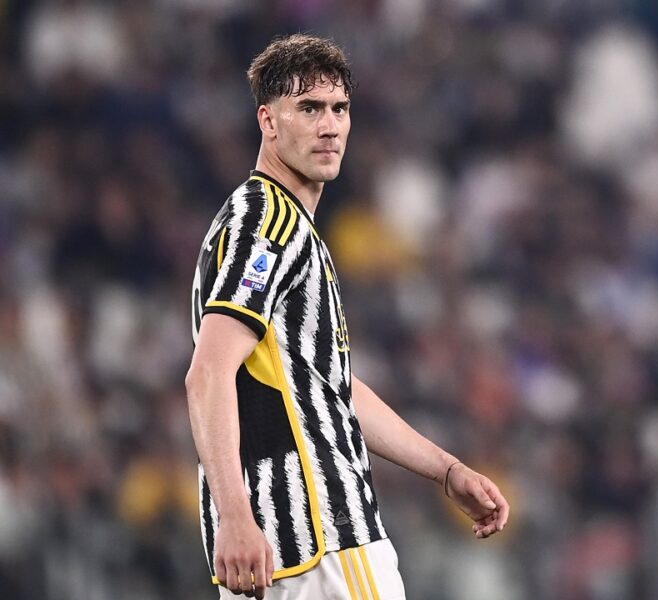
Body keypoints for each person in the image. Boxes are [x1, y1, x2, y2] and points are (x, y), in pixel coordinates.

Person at [185, 34, 510, 600]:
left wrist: (446, 469)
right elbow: (208, 373)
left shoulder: (268, 221)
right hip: (320, 540)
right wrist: (236, 516)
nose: (329, 125)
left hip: (273, 556)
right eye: (308, 108)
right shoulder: (268, 223)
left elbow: (324, 386)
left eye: (339, 109)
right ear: (268, 120)